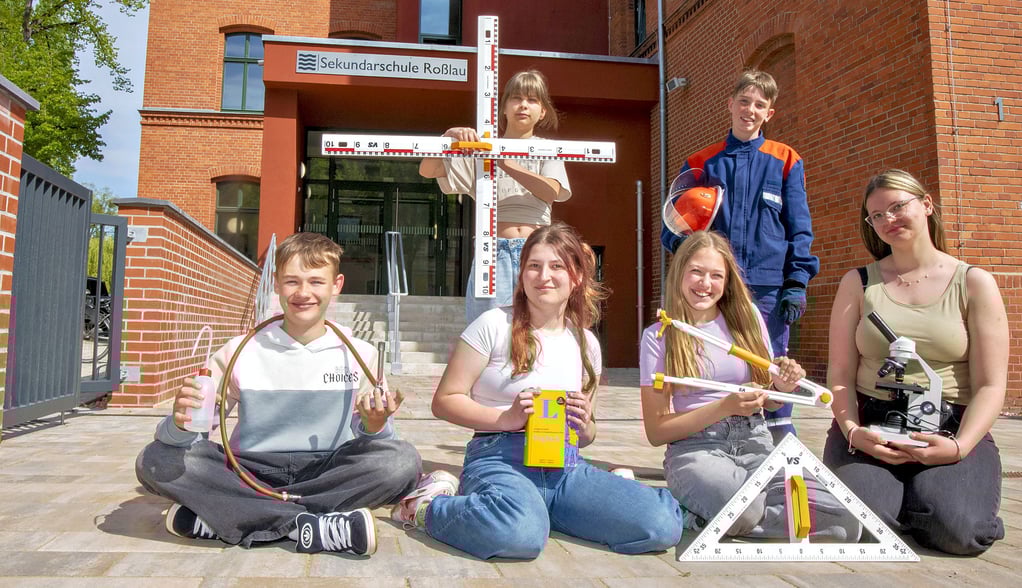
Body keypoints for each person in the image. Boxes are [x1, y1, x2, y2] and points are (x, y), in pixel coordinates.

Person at [135, 232, 451, 556]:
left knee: (401, 461)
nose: (303, 293)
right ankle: (312, 526)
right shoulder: (239, 350)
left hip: (326, 470)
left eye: (316, 281)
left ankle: (231, 517)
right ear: (276, 284)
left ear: (336, 285)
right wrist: (179, 421)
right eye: (292, 282)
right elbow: (192, 435)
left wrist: (375, 424)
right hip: (249, 470)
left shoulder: (361, 354)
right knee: (155, 459)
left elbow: (379, 441)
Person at [389, 223, 683, 559]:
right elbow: (444, 401)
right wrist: (506, 418)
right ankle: (426, 508)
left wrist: (585, 423)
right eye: (534, 265)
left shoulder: (587, 343)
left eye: (557, 266)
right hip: (499, 459)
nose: (544, 276)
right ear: (522, 274)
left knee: (661, 524)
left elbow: (588, 435)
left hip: (566, 464)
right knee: (520, 537)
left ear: (577, 277)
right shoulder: (492, 325)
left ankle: (541, 512)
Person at [823, 169, 1007, 555]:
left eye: (897, 207)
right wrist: (853, 432)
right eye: (876, 215)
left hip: (949, 426)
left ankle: (929, 500)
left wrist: (959, 448)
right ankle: (901, 501)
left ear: (926, 205)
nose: (888, 220)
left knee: (960, 533)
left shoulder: (973, 282)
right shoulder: (859, 283)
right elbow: (839, 374)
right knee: (857, 524)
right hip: (871, 423)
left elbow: (991, 385)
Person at [639, 231, 860, 540]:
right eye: (697, 272)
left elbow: (767, 400)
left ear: (728, 281)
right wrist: (723, 406)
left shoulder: (747, 317)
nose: (705, 283)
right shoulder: (659, 335)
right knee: (744, 508)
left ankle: (723, 512)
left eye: (717, 275)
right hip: (696, 449)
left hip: (757, 441)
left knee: (844, 523)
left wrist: (781, 387)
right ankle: (711, 510)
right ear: (680, 272)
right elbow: (656, 431)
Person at [660, 69, 819, 444]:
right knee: (710, 360)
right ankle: (708, 436)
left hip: (768, 289)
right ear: (730, 105)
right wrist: (691, 261)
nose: (750, 110)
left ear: (769, 114)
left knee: (772, 366)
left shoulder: (785, 160)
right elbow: (671, 225)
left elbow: (800, 227)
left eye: (759, 105)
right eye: (744, 101)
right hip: (714, 287)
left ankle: (779, 439)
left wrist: (796, 282)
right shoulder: (702, 162)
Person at [420, 70, 571, 324]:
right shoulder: (482, 149)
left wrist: (503, 160)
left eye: (532, 100)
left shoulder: (546, 148)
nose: (523, 105)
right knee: (488, 334)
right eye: (516, 98)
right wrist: (448, 137)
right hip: (493, 252)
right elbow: (427, 170)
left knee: (539, 334)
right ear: (503, 107)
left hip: (537, 253)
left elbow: (551, 191)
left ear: (542, 111)